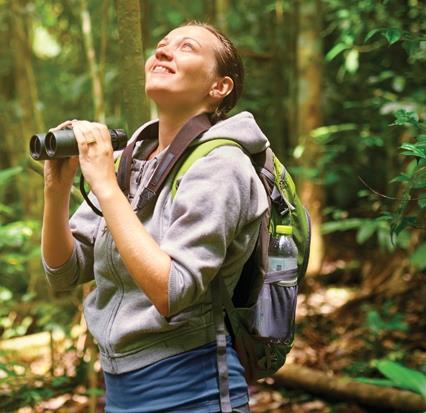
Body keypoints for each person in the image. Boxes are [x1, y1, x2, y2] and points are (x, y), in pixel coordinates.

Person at [41, 21, 270, 413]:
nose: (163, 51)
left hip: (193, 390)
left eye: (186, 47)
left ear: (220, 87)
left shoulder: (222, 164)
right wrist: (56, 190)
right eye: (162, 45)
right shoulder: (131, 161)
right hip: (120, 391)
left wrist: (106, 186)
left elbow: (172, 291)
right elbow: (63, 272)